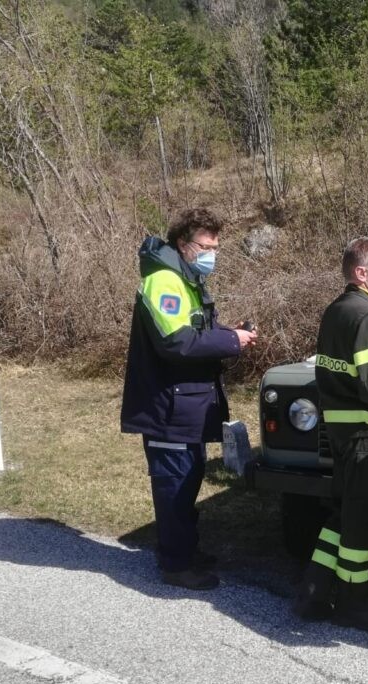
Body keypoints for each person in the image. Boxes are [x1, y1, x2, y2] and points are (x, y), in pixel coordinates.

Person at [121, 208, 258, 590]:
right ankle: (176, 565)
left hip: (186, 404)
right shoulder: (164, 281)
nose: (212, 253)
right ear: (183, 243)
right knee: (174, 484)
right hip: (168, 406)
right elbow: (176, 341)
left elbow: (196, 331)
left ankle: (184, 550)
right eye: (206, 246)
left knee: (189, 477)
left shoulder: (187, 278)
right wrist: (231, 341)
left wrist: (230, 334)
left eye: (216, 247)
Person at [293, 237, 368, 632]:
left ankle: (313, 591)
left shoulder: (337, 310)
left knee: (342, 513)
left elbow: (345, 369)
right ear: (362, 273)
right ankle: (354, 602)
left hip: (340, 430)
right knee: (363, 522)